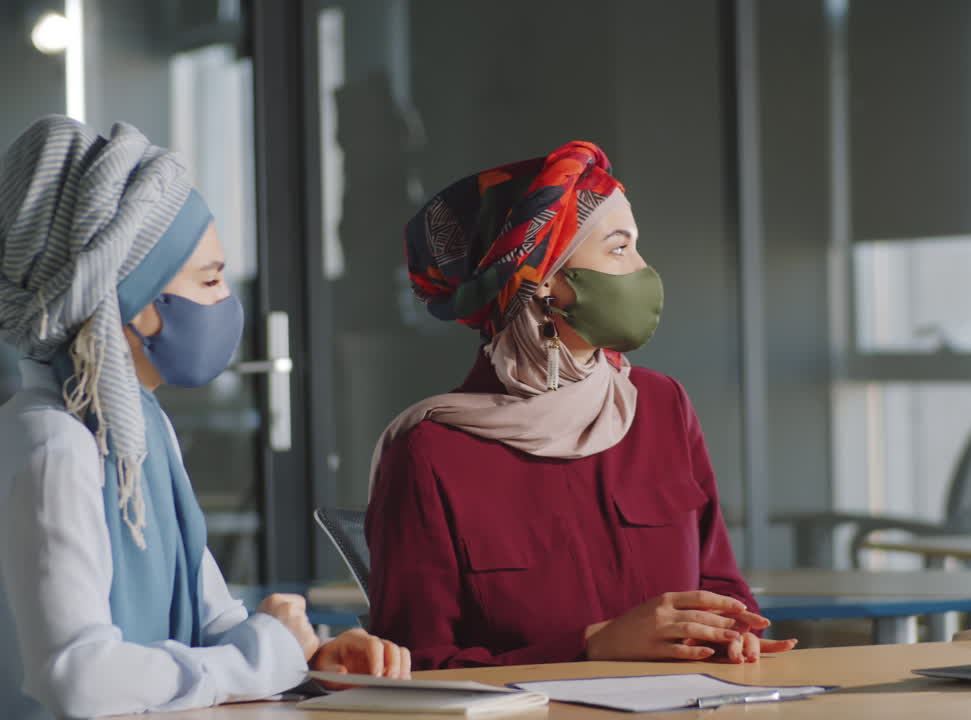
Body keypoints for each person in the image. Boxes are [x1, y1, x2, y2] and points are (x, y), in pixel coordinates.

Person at [0, 116, 410, 720]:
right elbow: (75, 677)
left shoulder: (142, 429)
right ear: (133, 302)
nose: (226, 302)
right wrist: (263, 656)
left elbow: (214, 622)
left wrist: (309, 659)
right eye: (210, 279)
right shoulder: (54, 444)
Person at [366, 140, 797, 669]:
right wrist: (590, 646)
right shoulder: (432, 450)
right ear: (542, 276)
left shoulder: (661, 405)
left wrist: (733, 631)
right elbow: (417, 666)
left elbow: (722, 587)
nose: (642, 268)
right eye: (619, 248)